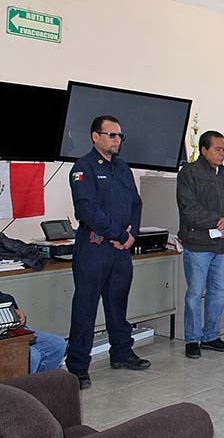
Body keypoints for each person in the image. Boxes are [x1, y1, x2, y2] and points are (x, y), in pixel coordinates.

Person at [66, 115, 149, 390]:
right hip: (94, 249)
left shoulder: (123, 168)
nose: (117, 140)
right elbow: (87, 210)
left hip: (121, 250)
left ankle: (121, 353)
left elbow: (136, 204)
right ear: (95, 136)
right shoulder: (83, 168)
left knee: (118, 306)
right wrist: (120, 234)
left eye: (119, 136)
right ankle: (78, 367)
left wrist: (131, 236)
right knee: (85, 309)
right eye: (111, 135)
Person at [177, 130, 224, 359]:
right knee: (195, 293)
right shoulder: (189, 173)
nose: (221, 153)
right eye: (217, 149)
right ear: (204, 150)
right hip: (197, 244)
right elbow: (190, 209)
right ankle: (192, 339)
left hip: (220, 245)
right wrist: (218, 221)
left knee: (218, 292)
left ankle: (211, 336)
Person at [0, 291, 66, 374]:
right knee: (32, 355)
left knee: (57, 344)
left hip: (7, 330)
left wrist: (15, 313)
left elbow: (4, 298)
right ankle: (23, 385)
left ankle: (43, 384)